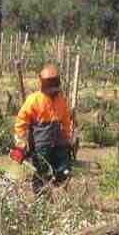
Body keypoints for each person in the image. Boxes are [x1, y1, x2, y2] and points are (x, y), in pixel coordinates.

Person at [12, 63, 76, 191]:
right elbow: (21, 121)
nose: (52, 88)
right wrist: (21, 141)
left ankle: (57, 191)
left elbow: (66, 121)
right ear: (42, 83)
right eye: (49, 83)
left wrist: (67, 138)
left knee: (64, 169)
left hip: (59, 142)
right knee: (41, 172)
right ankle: (40, 197)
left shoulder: (61, 99)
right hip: (41, 144)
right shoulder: (34, 100)